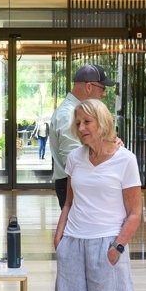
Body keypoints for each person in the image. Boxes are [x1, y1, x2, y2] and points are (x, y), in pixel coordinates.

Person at [54, 98, 141, 291]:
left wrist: (118, 247)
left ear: (102, 122)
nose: (80, 129)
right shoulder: (74, 158)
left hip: (107, 245)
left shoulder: (125, 160)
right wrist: (60, 235)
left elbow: (135, 213)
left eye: (86, 123)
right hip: (73, 243)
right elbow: (68, 203)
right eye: (77, 123)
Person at [49, 64, 116, 208]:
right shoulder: (68, 115)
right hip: (74, 184)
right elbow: (73, 161)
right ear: (89, 87)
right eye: (102, 88)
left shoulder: (76, 112)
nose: (103, 94)